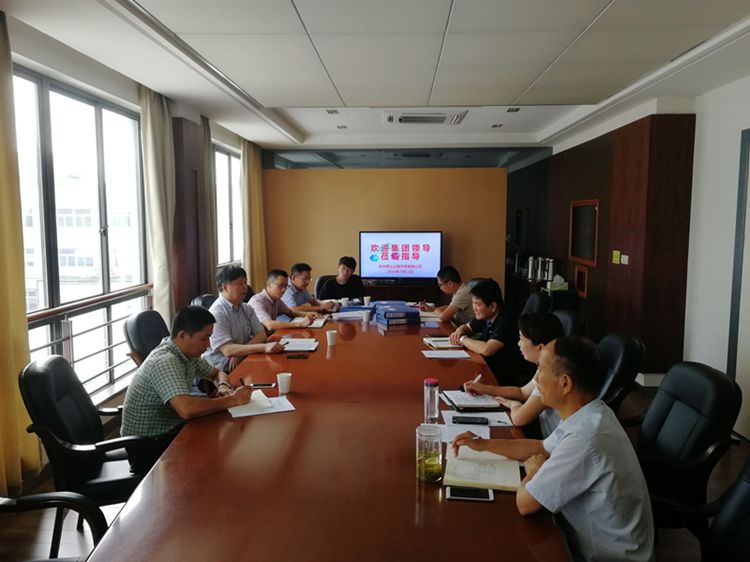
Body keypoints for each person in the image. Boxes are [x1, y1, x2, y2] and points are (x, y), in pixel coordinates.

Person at [453, 336, 654, 562]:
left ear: (565, 383)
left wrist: (533, 472)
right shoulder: (590, 413)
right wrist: (483, 444)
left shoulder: (584, 438)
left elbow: (525, 503)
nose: (537, 378)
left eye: (541, 369)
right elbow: (540, 446)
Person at [121, 306, 252, 474]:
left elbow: (217, 373)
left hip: (171, 429)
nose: (208, 345)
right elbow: (186, 409)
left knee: (226, 440)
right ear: (182, 335)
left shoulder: (186, 353)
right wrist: (232, 400)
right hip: (147, 446)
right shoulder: (165, 360)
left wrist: (223, 386)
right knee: (221, 455)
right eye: (204, 338)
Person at [463, 312, 564, 437]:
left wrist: (513, 404)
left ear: (540, 347)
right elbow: (522, 392)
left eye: (521, 339)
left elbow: (519, 419)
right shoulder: (548, 365)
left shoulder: (551, 375)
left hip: (549, 440)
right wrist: (484, 388)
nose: (518, 344)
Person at [203, 265, 284, 373]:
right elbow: (228, 350)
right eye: (240, 283)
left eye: (245, 283)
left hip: (244, 361)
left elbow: (261, 334)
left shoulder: (247, 308)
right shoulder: (217, 313)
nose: (245, 287)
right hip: (220, 372)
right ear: (225, 287)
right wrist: (263, 347)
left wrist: (241, 352)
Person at [448, 278, 526, 385]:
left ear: (493, 306)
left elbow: (487, 349)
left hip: (504, 376)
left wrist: (462, 339)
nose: (474, 308)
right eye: (473, 303)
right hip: (488, 366)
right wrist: (460, 330)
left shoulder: (506, 320)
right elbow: (468, 327)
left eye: (478, 304)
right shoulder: (486, 314)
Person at [249, 269, 319, 330]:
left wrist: (308, 314)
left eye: (286, 286)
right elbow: (269, 325)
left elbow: (290, 313)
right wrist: (300, 324)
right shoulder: (257, 301)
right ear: (269, 284)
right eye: (280, 285)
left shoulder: (276, 299)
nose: (284, 289)